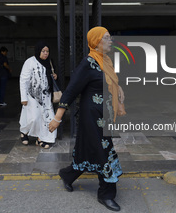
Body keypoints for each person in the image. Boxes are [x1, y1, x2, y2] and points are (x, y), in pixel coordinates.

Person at [49, 26, 124, 212]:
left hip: (103, 114)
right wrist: (57, 119)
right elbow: (71, 91)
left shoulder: (105, 61)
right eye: (106, 38)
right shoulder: (88, 63)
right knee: (102, 151)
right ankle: (106, 193)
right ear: (96, 41)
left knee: (88, 149)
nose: (110, 41)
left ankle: (68, 175)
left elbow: (114, 84)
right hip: (91, 116)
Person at [19, 41, 57, 148]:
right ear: (38, 51)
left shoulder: (49, 62)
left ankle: (41, 138)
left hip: (46, 96)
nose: (45, 53)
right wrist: (23, 97)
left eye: (47, 51)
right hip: (32, 96)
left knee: (47, 118)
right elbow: (23, 80)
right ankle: (24, 131)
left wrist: (54, 76)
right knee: (34, 118)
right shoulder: (30, 62)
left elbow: (51, 74)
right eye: (43, 51)